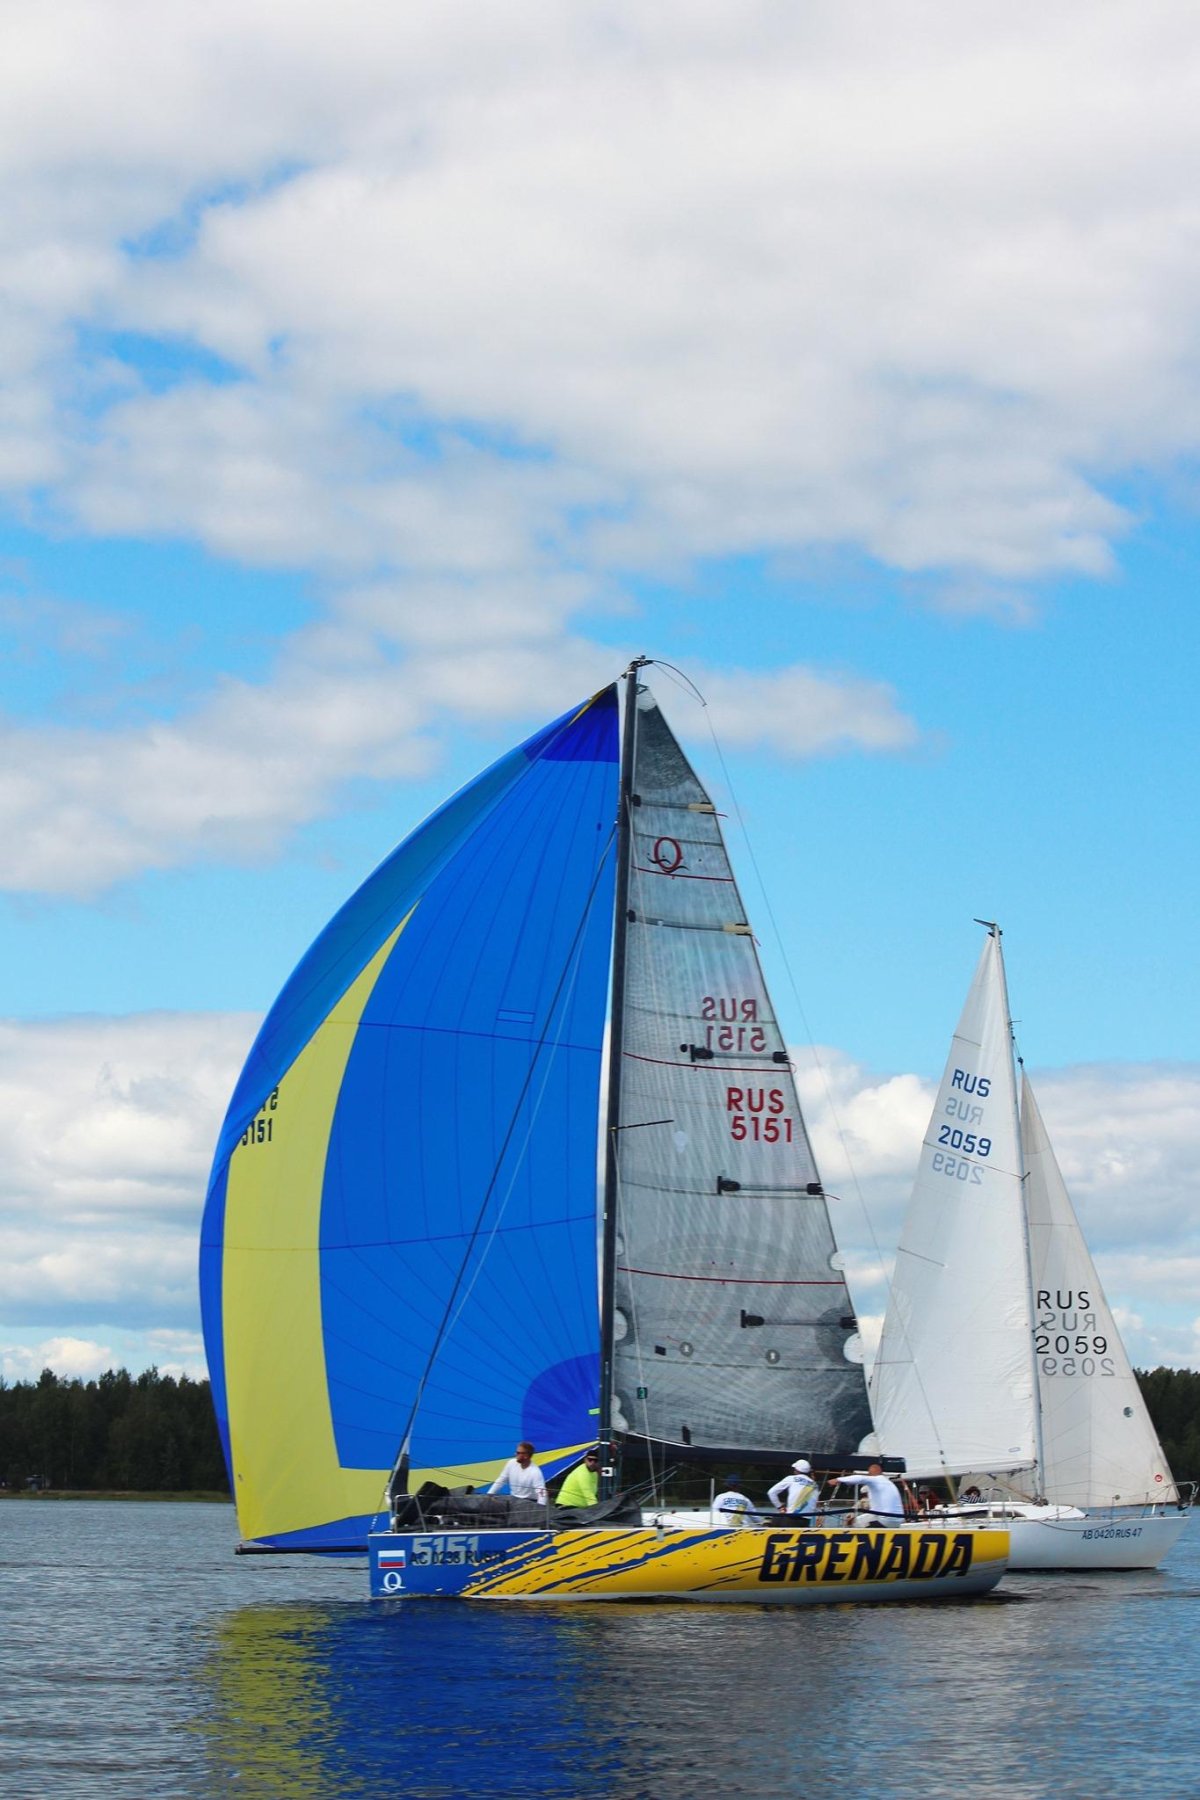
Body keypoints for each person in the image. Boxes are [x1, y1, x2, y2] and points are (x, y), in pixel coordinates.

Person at [830, 1459, 905, 1525]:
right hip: (899, 1520)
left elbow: (860, 1478)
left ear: (870, 1473)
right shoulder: (889, 1483)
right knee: (866, 1518)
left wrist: (838, 1479)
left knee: (855, 1522)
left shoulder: (875, 1479)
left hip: (885, 1519)